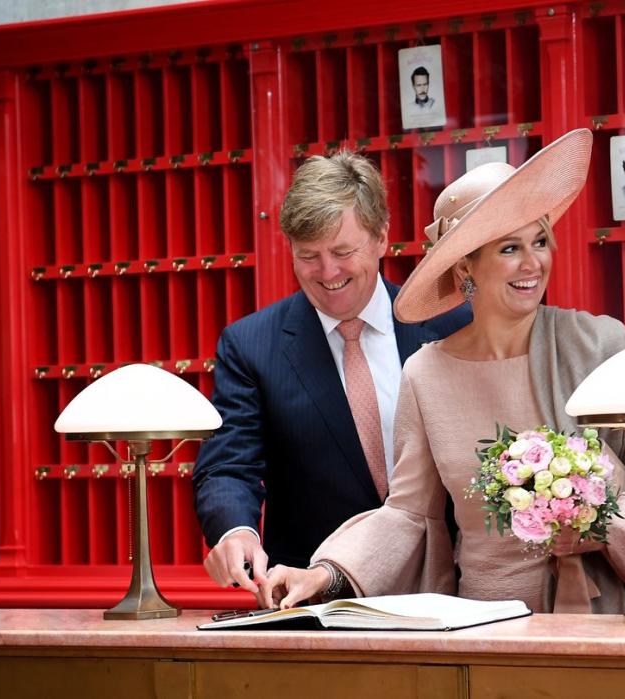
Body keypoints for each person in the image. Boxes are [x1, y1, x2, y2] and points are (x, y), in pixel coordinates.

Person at [257, 129, 625, 614]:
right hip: (483, 628)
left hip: (604, 622)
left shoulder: (600, 345)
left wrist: (601, 521)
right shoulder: (425, 373)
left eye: (540, 240)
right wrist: (329, 573)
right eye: (509, 248)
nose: (533, 263)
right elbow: (408, 514)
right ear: (466, 268)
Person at [192, 150, 469, 596]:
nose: (328, 272)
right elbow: (229, 463)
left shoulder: (451, 325)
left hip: (450, 585)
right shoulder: (251, 346)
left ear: (381, 237)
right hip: (314, 594)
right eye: (308, 256)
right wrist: (235, 531)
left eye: (343, 251)